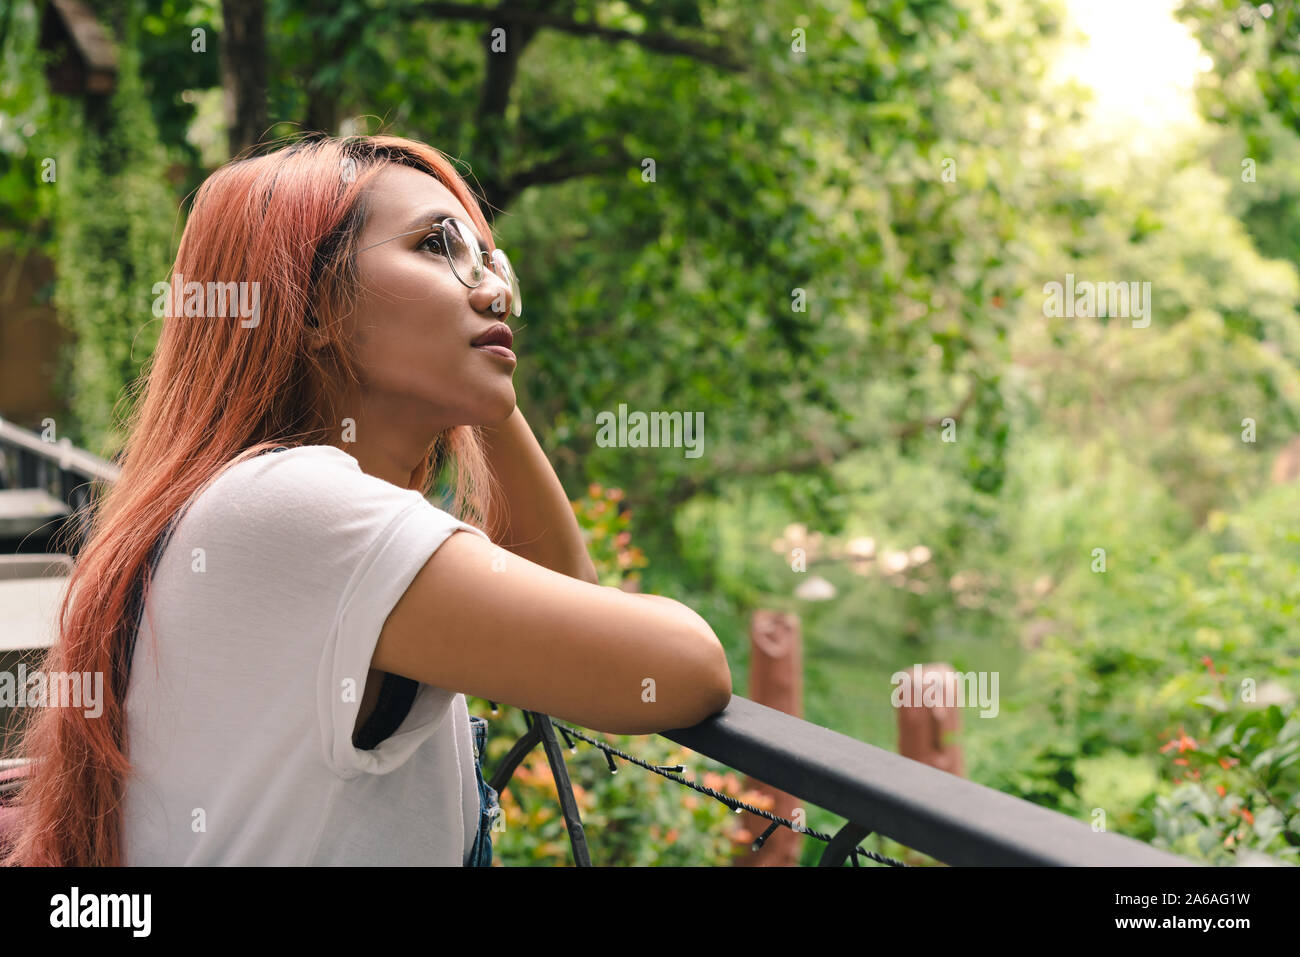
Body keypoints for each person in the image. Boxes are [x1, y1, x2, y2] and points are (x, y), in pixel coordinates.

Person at [1, 134, 731, 866]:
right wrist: (482, 363)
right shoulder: (291, 507)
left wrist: (488, 381)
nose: (496, 289)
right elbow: (683, 668)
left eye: (489, 260)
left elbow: (576, 620)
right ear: (313, 303)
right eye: (436, 245)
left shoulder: (250, 507)